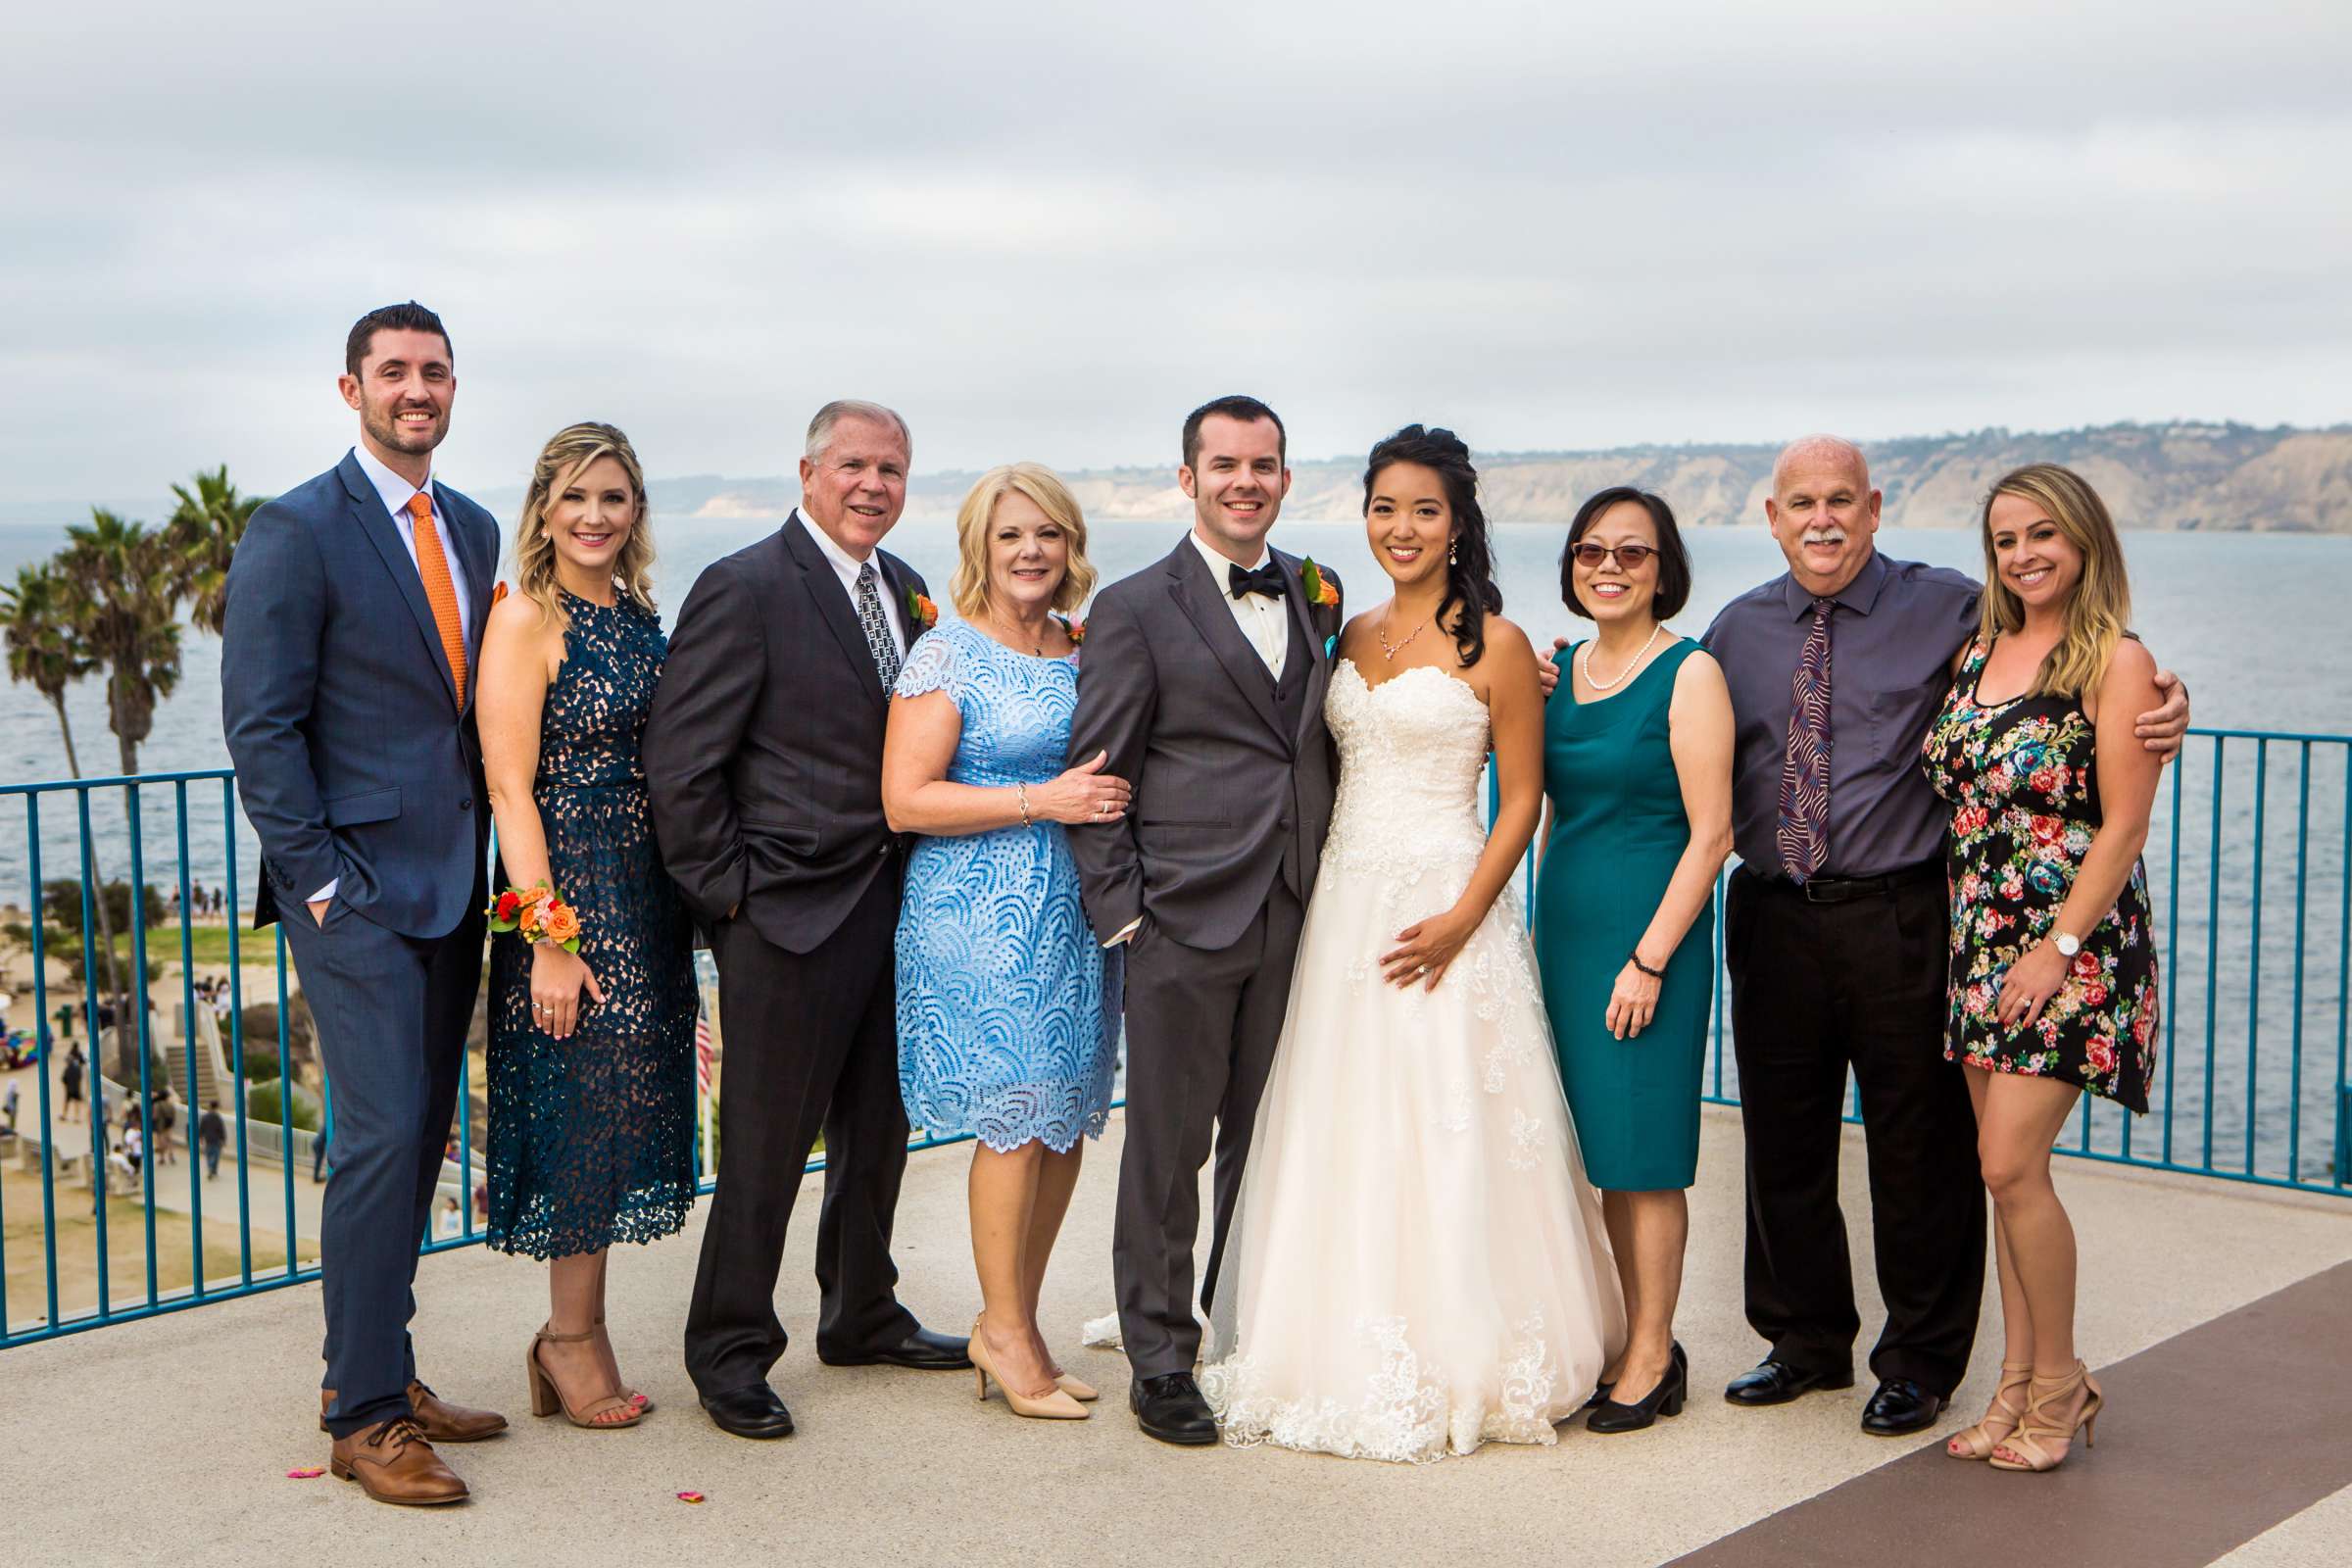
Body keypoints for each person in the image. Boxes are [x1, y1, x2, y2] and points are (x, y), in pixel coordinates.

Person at [1696, 435, 2187, 1438]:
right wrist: (1548, 665)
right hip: (1776, 908)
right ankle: (1803, 1339)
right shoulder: (1732, 631)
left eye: (1841, 499)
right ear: (1773, 515)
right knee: (1782, 1139)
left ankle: (1920, 1360)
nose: (1822, 519)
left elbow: (2090, 660)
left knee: (1924, 1149)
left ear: (1875, 508)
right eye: (1801, 502)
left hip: (1906, 911)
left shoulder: (1953, 606)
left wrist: (2173, 702)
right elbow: (1662, 713)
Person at [1194, 425, 1619, 1461]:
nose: (1402, 528)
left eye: (1425, 510)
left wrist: (1469, 913)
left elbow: (1521, 802)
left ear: (1459, 523)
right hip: (1345, 902)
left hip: (1447, 899)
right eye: (1385, 507)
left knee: (1448, 1119)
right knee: (1345, 1114)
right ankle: (1323, 1329)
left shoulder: (1502, 645)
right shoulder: (1348, 632)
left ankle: (1464, 1341)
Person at [220, 301, 507, 1505]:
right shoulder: (296, 528)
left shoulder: (479, 527)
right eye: (393, 371)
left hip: (456, 885)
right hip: (356, 896)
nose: (416, 389)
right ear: (352, 390)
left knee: (423, 1134)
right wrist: (321, 881)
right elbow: (262, 725)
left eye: (433, 371)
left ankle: (385, 1361)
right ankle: (363, 1416)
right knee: (383, 1136)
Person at [645, 400, 970, 1443]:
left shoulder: (910, 589)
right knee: (764, 1151)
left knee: (880, 1131)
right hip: (781, 916)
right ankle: (731, 1349)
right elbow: (682, 766)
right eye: (855, 466)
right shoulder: (742, 586)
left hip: (894, 908)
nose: (874, 484)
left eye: (892, 469)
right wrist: (731, 900)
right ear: (809, 470)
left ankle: (861, 1309)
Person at [1063, 395, 1345, 1446]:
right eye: (1224, 463)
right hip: (1178, 919)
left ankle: (1244, 1321)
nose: (1245, 480)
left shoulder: (1319, 592)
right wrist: (1126, 917)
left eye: (1263, 464)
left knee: (1268, 1143)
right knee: (1167, 1150)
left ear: (1284, 474)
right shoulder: (1134, 608)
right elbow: (1097, 774)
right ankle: (1162, 1356)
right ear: (1188, 479)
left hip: (1297, 907)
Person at [1926, 465, 2159, 1472]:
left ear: (2084, 541)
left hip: (2071, 947)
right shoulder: (1979, 649)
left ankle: (2059, 1386)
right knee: (2010, 1180)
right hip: (1978, 940)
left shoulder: (2117, 659)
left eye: (2043, 536)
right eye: (2008, 539)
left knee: (2008, 1165)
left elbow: (2125, 825)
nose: (2024, 554)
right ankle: (2016, 1386)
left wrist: (2055, 950)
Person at [882, 464, 1126, 1423]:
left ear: (1071, 548)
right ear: (980, 546)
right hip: (978, 917)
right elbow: (905, 798)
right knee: (1018, 1119)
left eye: (1049, 535)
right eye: (1011, 535)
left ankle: (1013, 1324)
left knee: (1063, 1119)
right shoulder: (949, 653)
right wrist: (1042, 800)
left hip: (1076, 913)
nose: (1031, 552)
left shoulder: (1084, 648)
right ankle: (1005, 1329)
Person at [479, 421, 698, 1432]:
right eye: (576, 497)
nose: (595, 516)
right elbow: (509, 789)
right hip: (571, 884)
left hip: (643, 887)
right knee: (579, 1112)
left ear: (635, 510)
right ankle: (570, 1338)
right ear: (544, 508)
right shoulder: (526, 615)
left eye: (613, 497)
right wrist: (550, 940)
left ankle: (576, 1331)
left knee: (617, 1107)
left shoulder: (637, 608)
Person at [1534, 487, 1734, 1434]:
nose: (1608, 568)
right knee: (1598, 1151)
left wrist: (1650, 960)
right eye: (1590, 552)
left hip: (1648, 942)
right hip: (1563, 940)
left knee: (1644, 1155)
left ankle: (1654, 1354)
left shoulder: (1690, 674)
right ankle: (1629, 1334)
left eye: (1632, 553)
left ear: (1665, 570)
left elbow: (1712, 834)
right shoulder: (1559, 668)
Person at [199, 1100, 226, 1181]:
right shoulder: (218, 1117)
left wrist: (200, 1137)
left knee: (208, 1154)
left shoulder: (205, 1117)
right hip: (217, 1139)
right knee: (216, 1155)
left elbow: (201, 1127)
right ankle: (213, 1169)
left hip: (208, 1139)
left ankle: (210, 1168)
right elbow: (221, 1129)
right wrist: (223, 1139)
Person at [60, 1042, 84, 1124]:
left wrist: (66, 1084)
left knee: (66, 1102)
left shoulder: (67, 1070)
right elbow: (80, 1076)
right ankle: (77, 1117)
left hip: (69, 1089)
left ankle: (64, 1115)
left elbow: (63, 1079)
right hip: (76, 1088)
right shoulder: (77, 1069)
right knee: (77, 1102)